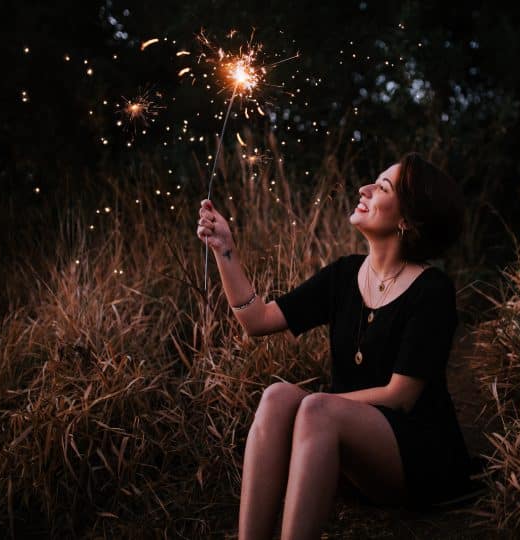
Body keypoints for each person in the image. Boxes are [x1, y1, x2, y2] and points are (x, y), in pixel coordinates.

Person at [196, 152, 474, 540]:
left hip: (417, 457)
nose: (365, 189)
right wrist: (224, 250)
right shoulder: (344, 274)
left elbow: (401, 396)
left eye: (383, 187)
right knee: (277, 396)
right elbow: (257, 320)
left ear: (407, 219)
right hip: (347, 445)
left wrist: (317, 407)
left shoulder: (432, 290)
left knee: (315, 407)